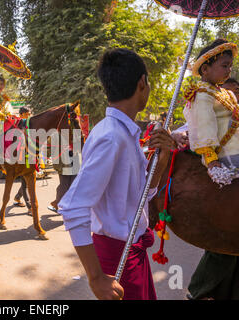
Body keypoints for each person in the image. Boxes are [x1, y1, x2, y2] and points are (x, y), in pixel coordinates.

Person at [58, 48, 175, 300]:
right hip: (116, 257)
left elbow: (142, 193)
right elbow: (72, 207)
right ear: (142, 83)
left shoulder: (125, 133)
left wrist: (162, 158)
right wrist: (96, 278)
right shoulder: (111, 137)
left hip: (132, 252)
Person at [185, 76, 239, 300]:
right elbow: (197, 128)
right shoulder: (204, 97)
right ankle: (200, 290)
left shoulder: (229, 103)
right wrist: (181, 135)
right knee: (226, 240)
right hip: (222, 171)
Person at [183, 39, 239, 176]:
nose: (229, 70)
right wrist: (211, 159)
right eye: (225, 66)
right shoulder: (202, 95)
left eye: (230, 66)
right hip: (226, 154)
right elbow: (204, 125)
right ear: (205, 69)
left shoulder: (227, 93)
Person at [13, 107, 32, 212]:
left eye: (29, 114)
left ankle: (17, 197)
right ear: (21, 114)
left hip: (28, 155)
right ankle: (30, 208)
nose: (28, 116)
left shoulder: (27, 124)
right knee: (26, 182)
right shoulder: (19, 124)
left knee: (26, 181)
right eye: (26, 114)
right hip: (21, 156)